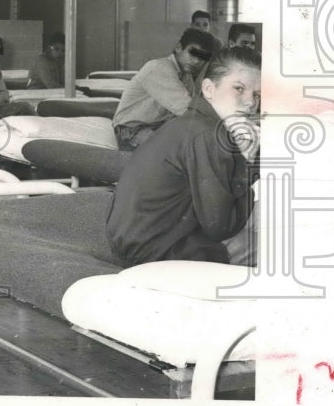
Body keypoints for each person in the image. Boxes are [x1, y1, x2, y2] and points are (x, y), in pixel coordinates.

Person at [106, 46, 261, 266]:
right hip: (161, 252)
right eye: (239, 88)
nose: (251, 102)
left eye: (256, 94)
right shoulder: (207, 136)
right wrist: (249, 163)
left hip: (139, 239)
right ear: (208, 89)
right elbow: (220, 227)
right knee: (284, 242)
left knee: (266, 217)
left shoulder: (195, 123)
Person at [112, 28, 219, 151]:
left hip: (156, 128)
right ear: (178, 48)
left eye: (203, 58)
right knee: (190, 150)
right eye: (193, 53)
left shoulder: (186, 76)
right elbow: (187, 110)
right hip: (131, 132)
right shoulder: (160, 67)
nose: (196, 61)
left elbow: (193, 111)